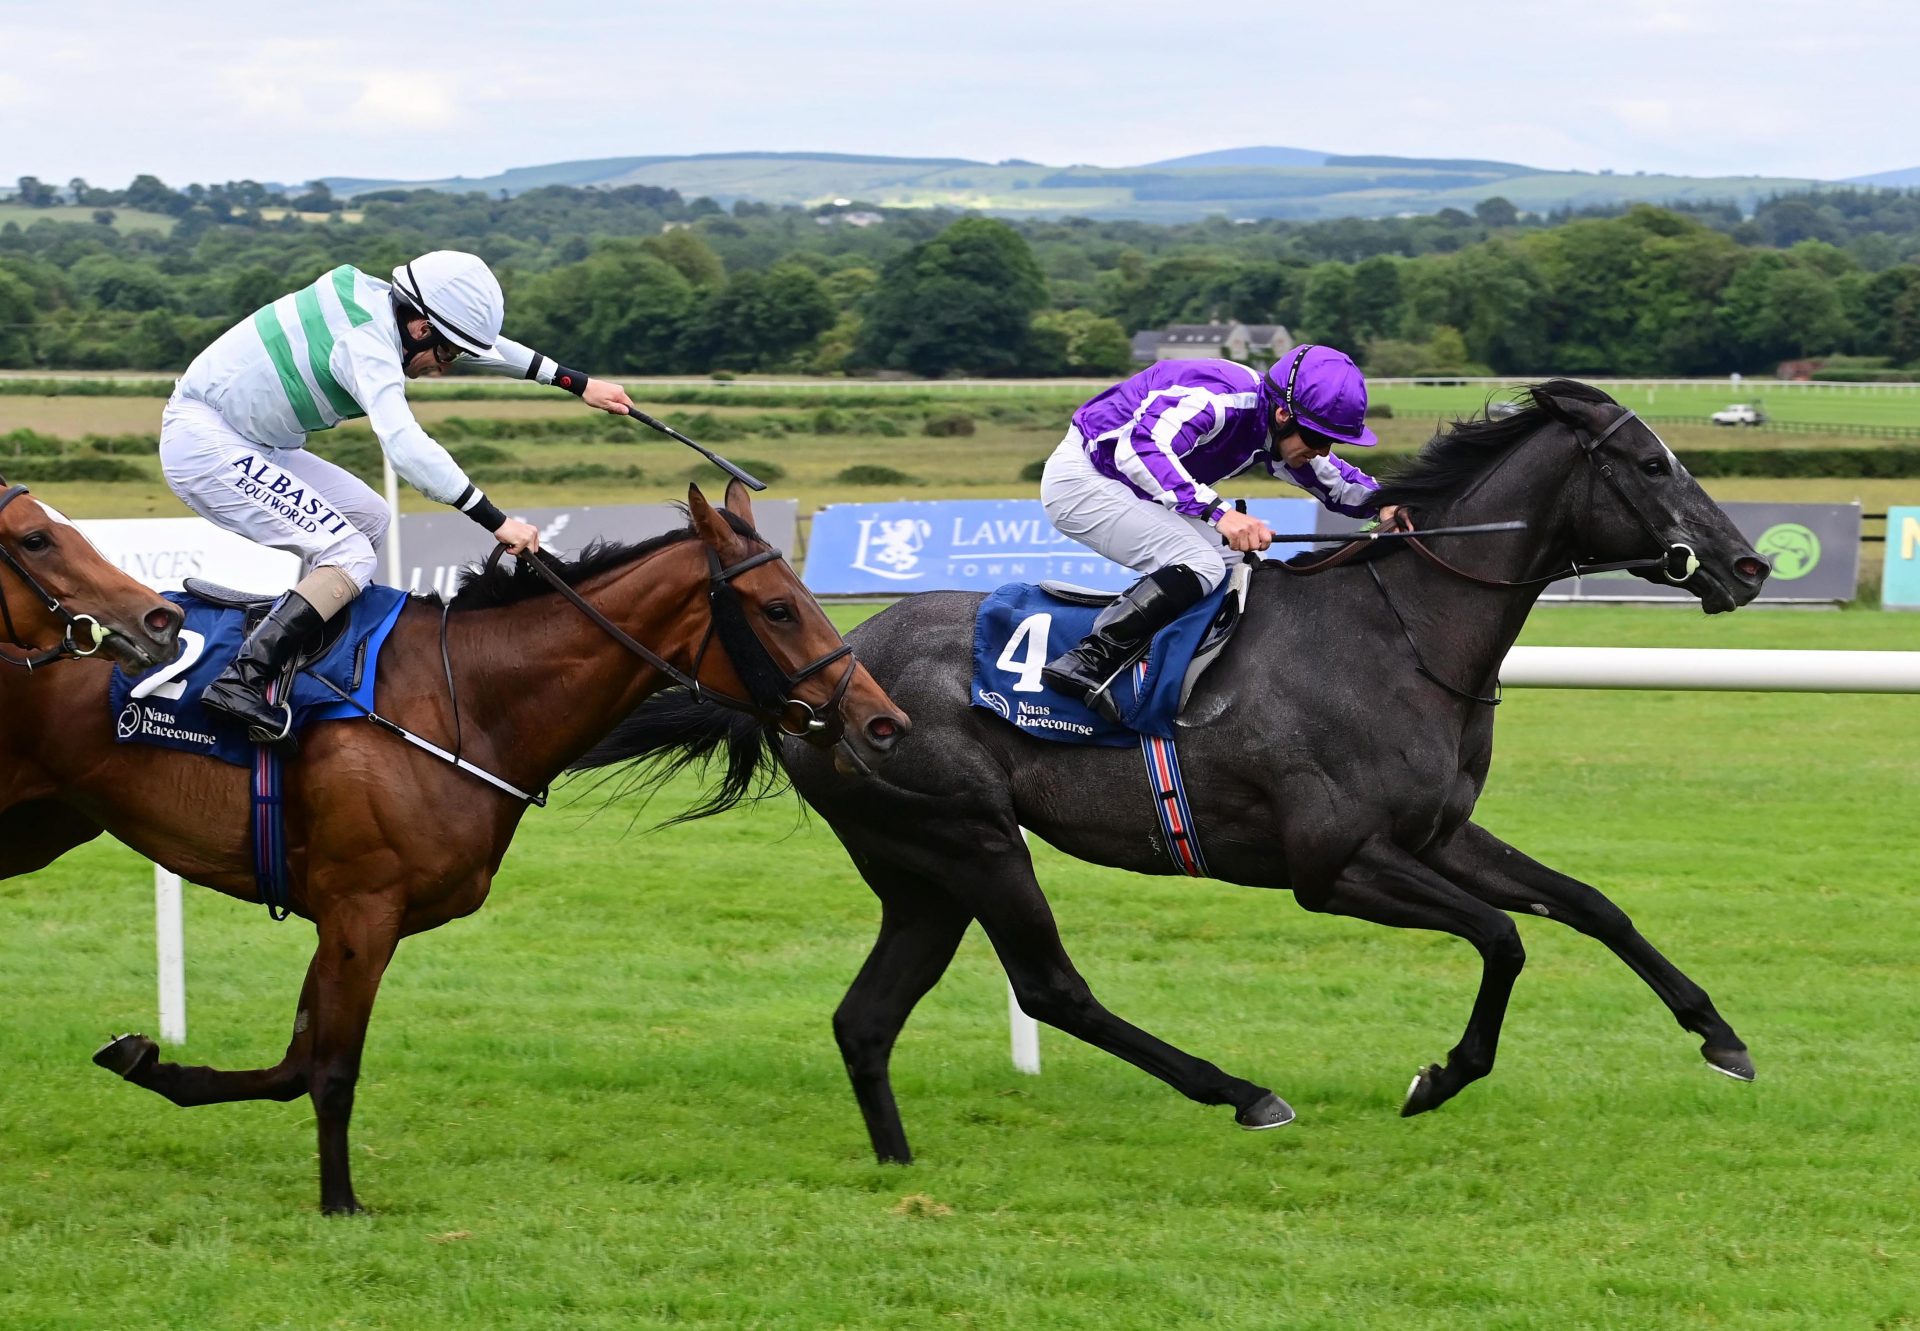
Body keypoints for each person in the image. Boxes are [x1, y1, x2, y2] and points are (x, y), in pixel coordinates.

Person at [160, 250, 636, 741]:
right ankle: (242, 679)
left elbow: (487, 347)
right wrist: (497, 521)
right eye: (446, 355)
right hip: (205, 445)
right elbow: (406, 447)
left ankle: (302, 658)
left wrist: (577, 383)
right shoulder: (366, 344)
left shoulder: (383, 303)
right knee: (349, 553)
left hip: (256, 441)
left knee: (370, 518)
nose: (443, 369)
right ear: (420, 329)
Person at [1038, 344, 1399, 710]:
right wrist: (1219, 513)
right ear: (1283, 414)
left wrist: (1389, 501)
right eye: (1319, 439)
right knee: (1202, 564)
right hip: (1083, 478)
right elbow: (1139, 448)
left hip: (1133, 486)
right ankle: (1087, 661)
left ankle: (1179, 673)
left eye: (1332, 441)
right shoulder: (1221, 399)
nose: (1323, 450)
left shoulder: (1275, 427)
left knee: (1237, 564)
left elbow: (1336, 481)